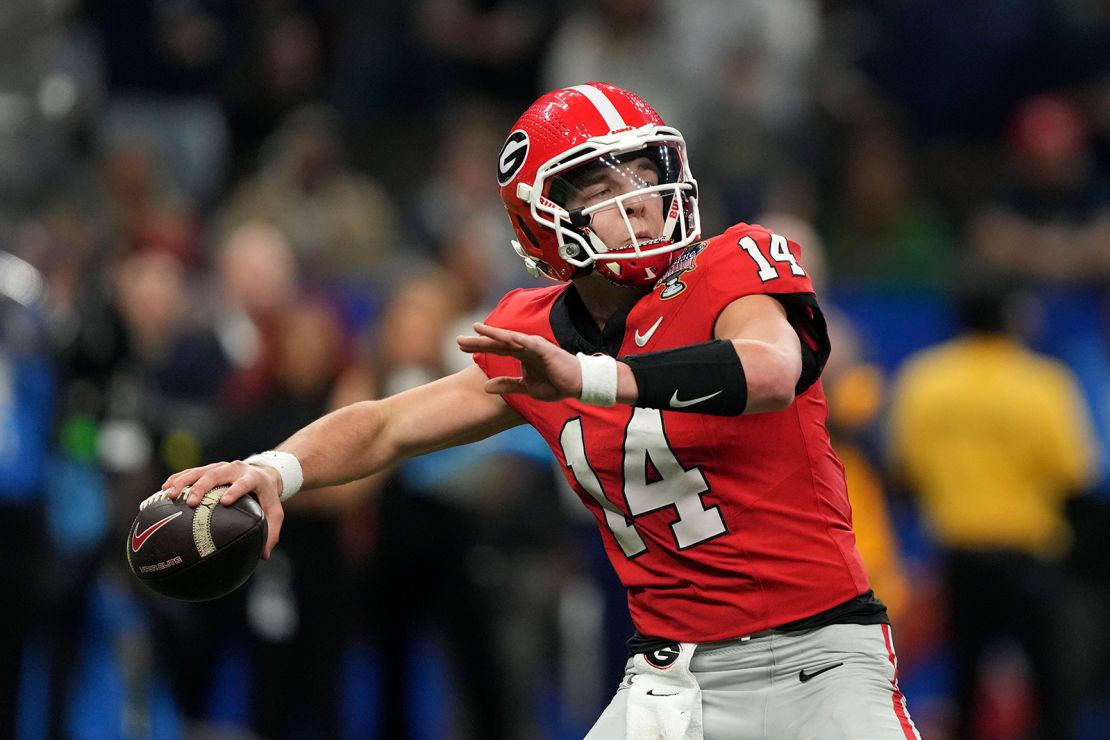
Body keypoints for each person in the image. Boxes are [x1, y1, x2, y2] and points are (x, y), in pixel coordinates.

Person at [160, 82, 920, 739]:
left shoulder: (733, 265)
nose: (640, 200)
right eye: (598, 184)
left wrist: (590, 379)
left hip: (820, 658)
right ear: (542, 221)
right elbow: (388, 423)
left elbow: (772, 372)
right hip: (671, 679)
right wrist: (273, 470)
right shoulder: (535, 330)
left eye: (645, 171)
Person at [887, 267, 1099, 740]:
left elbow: (904, 476)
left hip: (960, 563)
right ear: (1012, 315)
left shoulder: (924, 379)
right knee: (1050, 693)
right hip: (1032, 564)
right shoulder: (1043, 382)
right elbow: (1075, 478)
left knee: (964, 687)